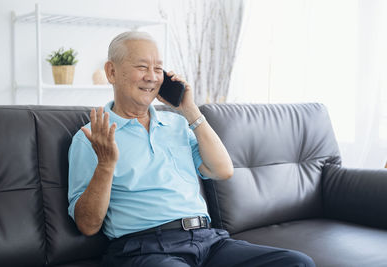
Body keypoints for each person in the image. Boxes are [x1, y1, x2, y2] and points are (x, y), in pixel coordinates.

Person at [67, 31, 315, 267]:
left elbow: (222, 170)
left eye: (157, 68)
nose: (152, 77)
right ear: (111, 72)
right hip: (144, 247)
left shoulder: (177, 124)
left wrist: (189, 109)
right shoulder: (91, 137)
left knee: (297, 262)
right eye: (142, 67)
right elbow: (88, 225)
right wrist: (106, 164)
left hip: (209, 241)